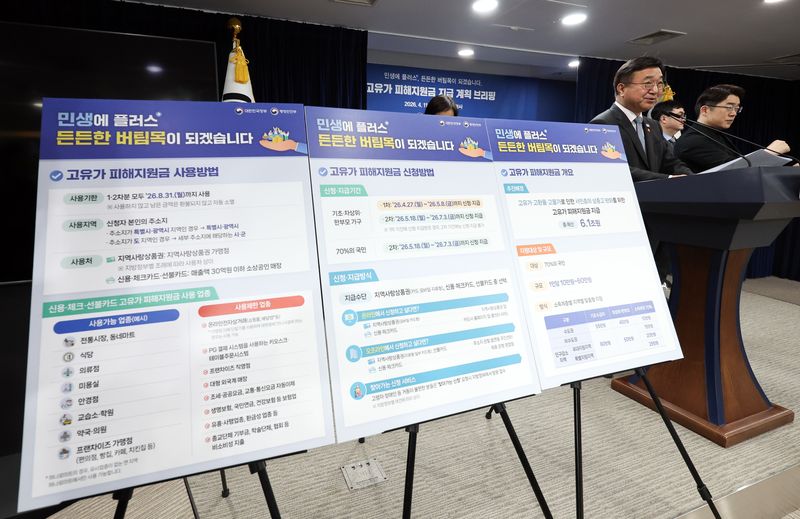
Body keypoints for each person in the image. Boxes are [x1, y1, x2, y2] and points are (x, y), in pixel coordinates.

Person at [590, 56, 692, 181]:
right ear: (621, 89)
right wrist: (668, 178)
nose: (655, 91)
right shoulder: (602, 124)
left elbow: (670, 162)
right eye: (647, 83)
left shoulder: (654, 125)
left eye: (659, 84)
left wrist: (692, 178)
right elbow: (616, 168)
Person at [674, 84, 791, 172]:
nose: (733, 113)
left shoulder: (717, 135)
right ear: (705, 110)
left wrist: (787, 168)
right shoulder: (692, 140)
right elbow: (735, 170)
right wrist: (769, 153)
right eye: (729, 107)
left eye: (737, 109)